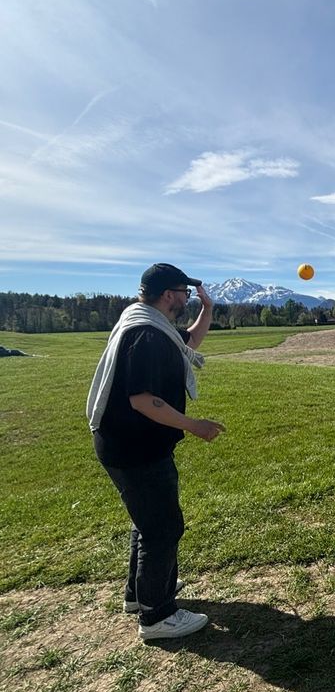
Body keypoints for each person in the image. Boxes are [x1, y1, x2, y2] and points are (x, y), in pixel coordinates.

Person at [87, 263, 225, 640]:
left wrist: (207, 311)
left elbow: (188, 344)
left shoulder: (148, 323)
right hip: (136, 448)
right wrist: (194, 425)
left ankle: (140, 594)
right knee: (163, 527)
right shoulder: (146, 335)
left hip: (123, 444)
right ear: (169, 295)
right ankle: (157, 616)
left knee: (146, 522)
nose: (186, 298)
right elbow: (144, 400)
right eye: (185, 293)